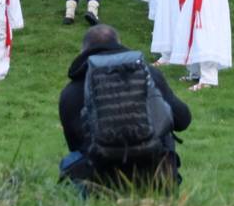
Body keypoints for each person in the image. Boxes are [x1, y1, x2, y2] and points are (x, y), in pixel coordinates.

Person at [57, 25, 192, 193]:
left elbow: (76, 145)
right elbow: (183, 119)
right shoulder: (148, 74)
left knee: (70, 161)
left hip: (100, 182)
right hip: (155, 176)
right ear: (119, 44)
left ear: (83, 51)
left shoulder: (71, 91)